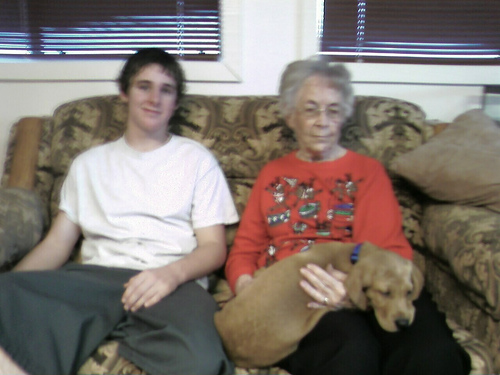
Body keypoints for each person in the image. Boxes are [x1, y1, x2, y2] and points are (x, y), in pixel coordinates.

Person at [225, 57, 471, 375]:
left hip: (374, 283)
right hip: (302, 296)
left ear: (344, 117)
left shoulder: (368, 172)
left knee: (433, 354)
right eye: (310, 109)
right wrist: (250, 292)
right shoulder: (272, 175)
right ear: (290, 115)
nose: (322, 121)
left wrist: (351, 291)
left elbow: (390, 251)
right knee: (350, 352)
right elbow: (244, 250)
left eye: (333, 110)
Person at [0, 48, 238, 375]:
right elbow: (57, 245)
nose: (154, 98)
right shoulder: (88, 164)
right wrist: (15, 287)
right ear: (125, 93)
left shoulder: (196, 160)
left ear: (176, 103)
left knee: (202, 363)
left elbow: (214, 247)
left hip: (173, 282)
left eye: (166, 90)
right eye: (144, 86)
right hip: (98, 279)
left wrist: (170, 276)